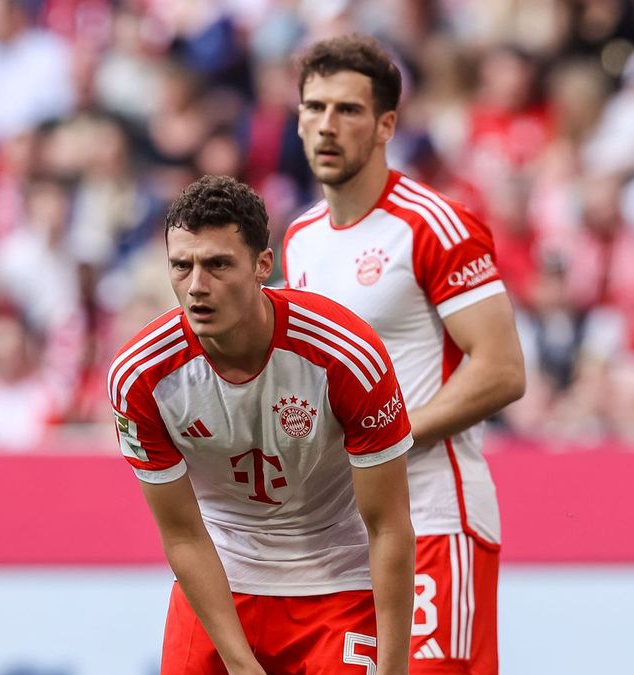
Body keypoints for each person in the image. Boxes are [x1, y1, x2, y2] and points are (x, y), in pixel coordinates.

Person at [282, 35, 526, 674]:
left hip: (434, 520)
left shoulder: (433, 225)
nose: (326, 126)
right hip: (343, 535)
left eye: (348, 109)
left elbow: (501, 369)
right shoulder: (300, 239)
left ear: (386, 124)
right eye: (314, 108)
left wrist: (383, 438)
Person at [108, 175, 415, 674]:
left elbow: (389, 526)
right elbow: (182, 534)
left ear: (262, 266)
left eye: (218, 264)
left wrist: (395, 669)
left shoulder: (347, 356)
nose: (196, 286)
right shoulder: (138, 377)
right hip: (221, 581)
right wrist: (240, 662)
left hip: (336, 578)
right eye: (181, 266)